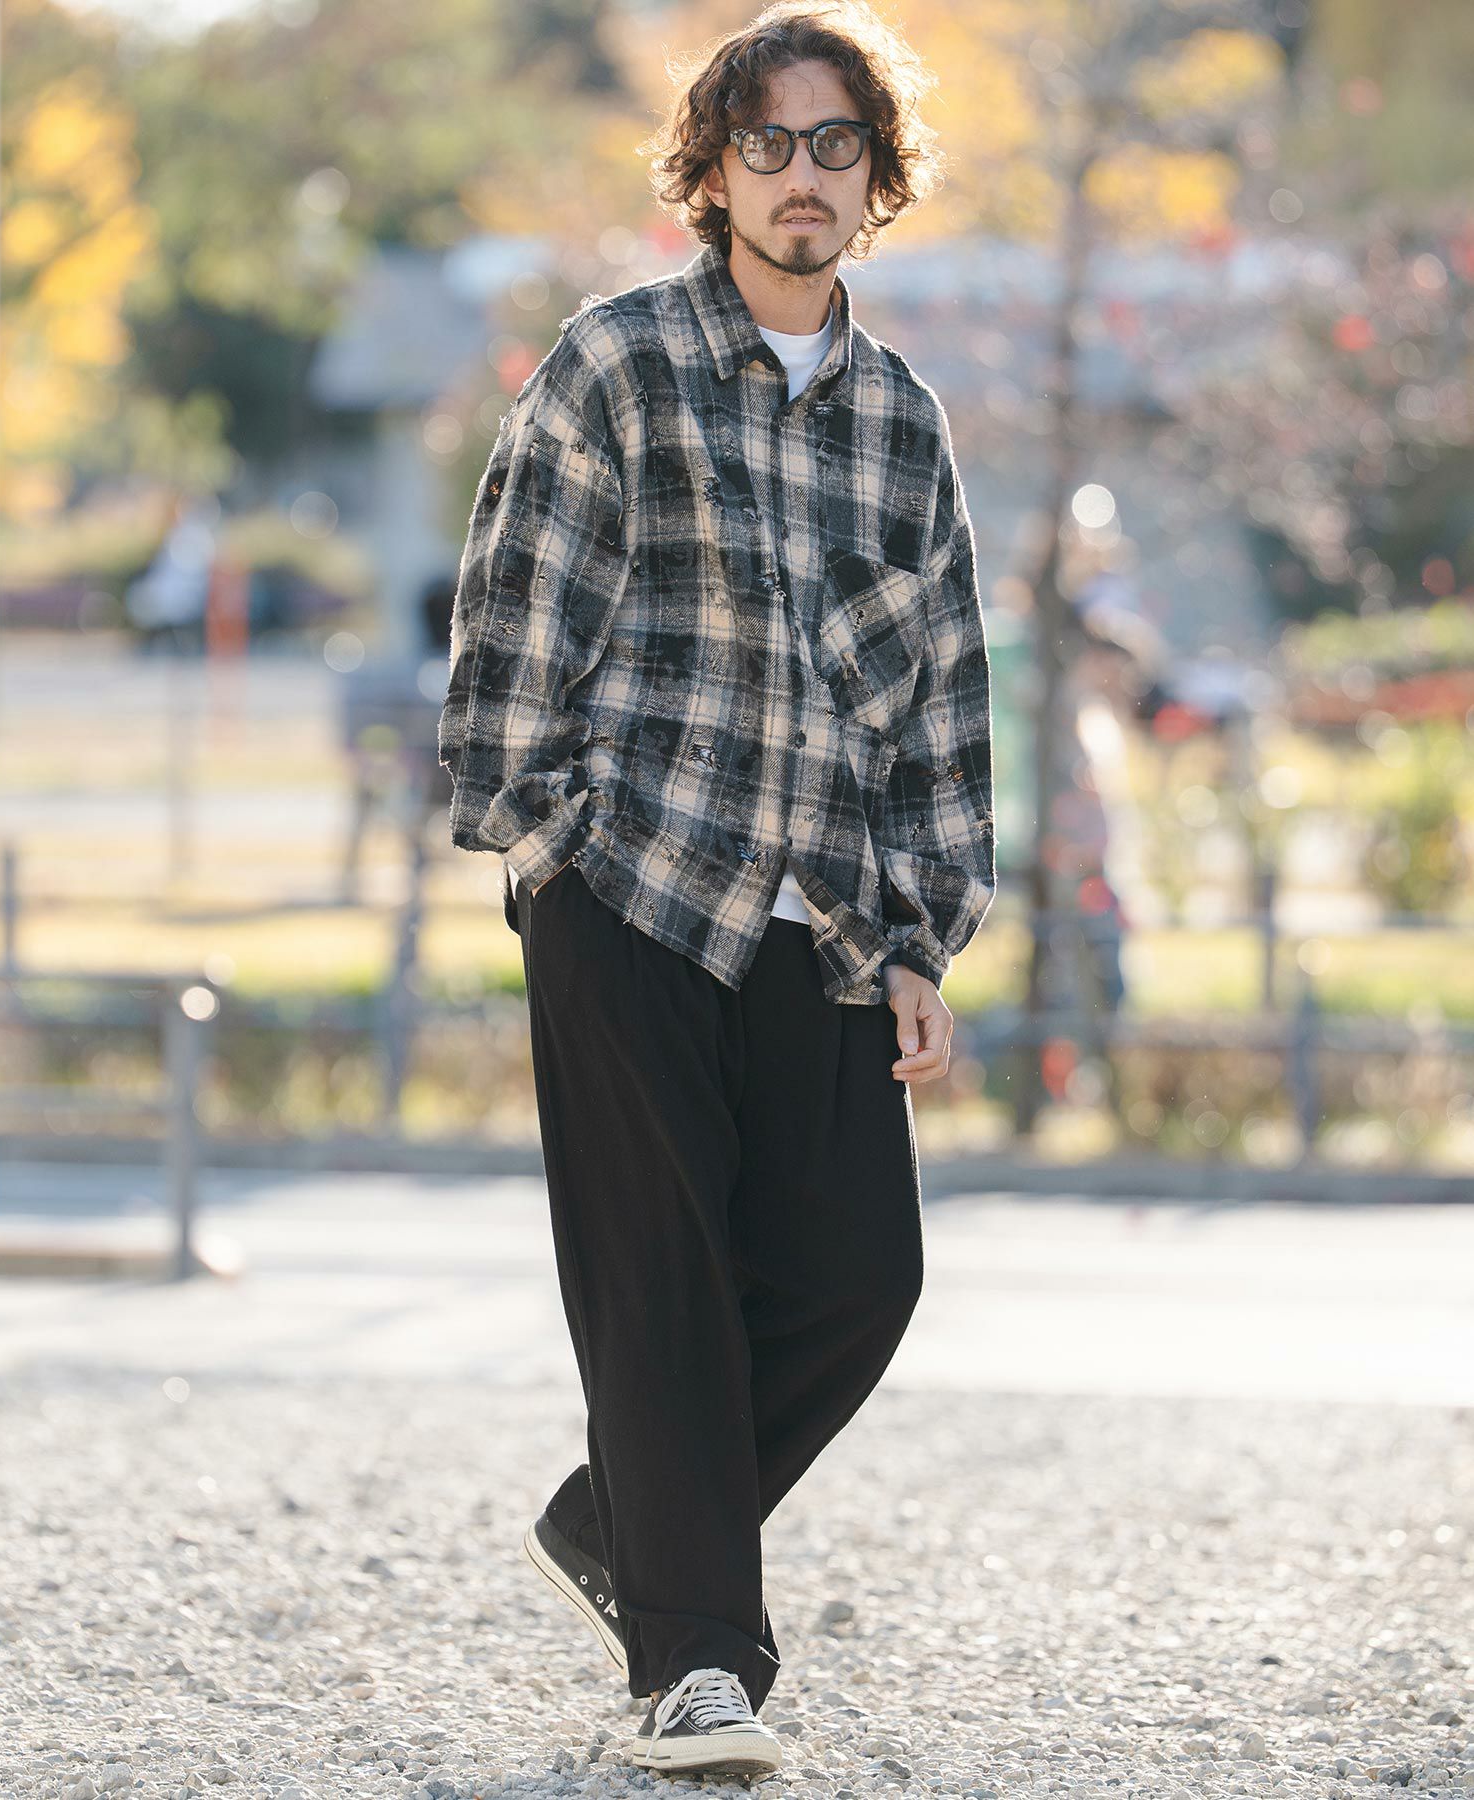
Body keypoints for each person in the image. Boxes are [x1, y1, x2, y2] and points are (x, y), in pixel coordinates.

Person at [437, 1, 996, 1779]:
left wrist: (917, 937)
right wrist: (545, 845)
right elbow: (513, 612)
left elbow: (939, 700)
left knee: (860, 1277)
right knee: (661, 1285)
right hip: (633, 891)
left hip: (817, 920)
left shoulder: (901, 422)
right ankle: (696, 1665)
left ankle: (623, 1522)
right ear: (714, 172)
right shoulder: (617, 364)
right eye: (768, 143)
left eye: (837, 144)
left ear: (878, 178)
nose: (802, 174)